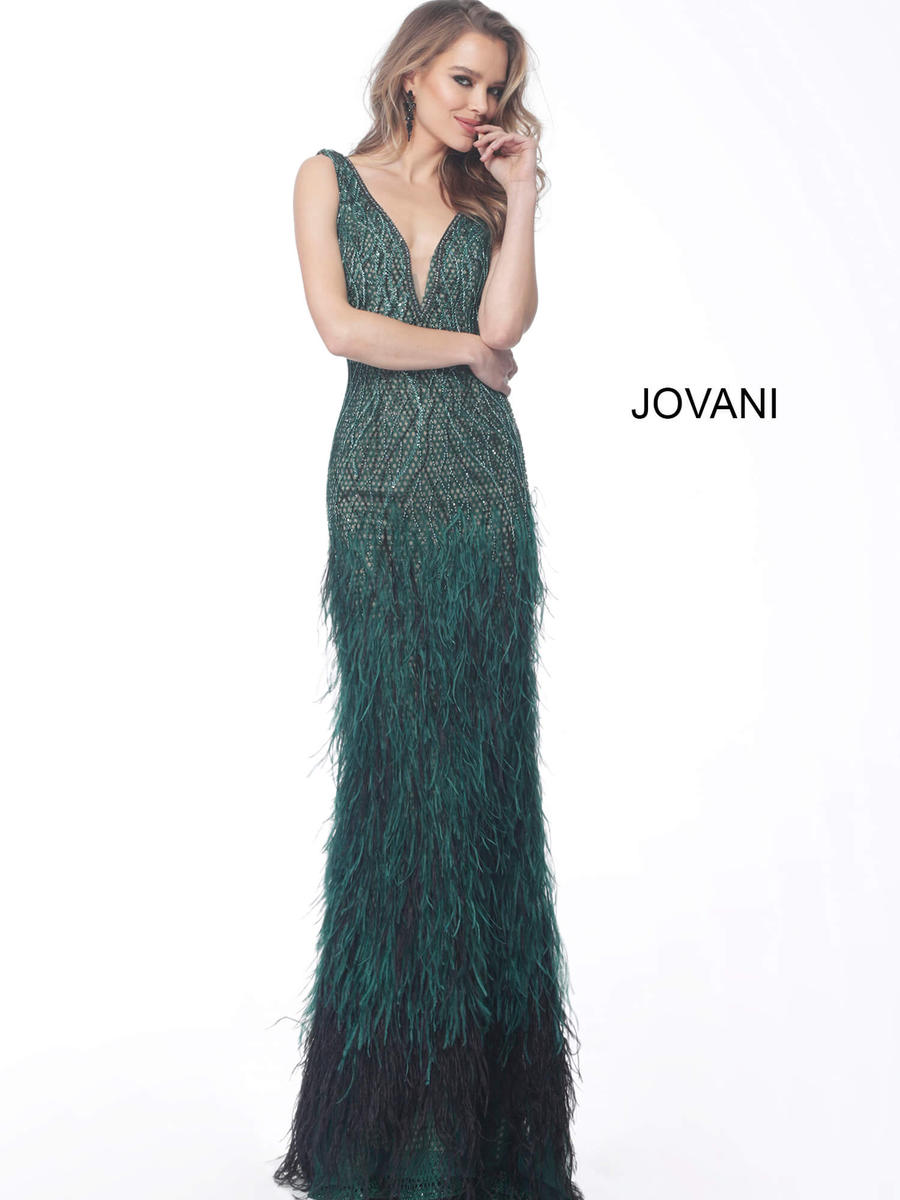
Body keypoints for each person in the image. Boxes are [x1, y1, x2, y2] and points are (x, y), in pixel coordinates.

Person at [273, 4, 583, 1198]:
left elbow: (507, 323)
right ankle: (381, 1123)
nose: (480, 106)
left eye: (496, 90)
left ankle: (484, 1128)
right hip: (376, 500)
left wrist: (527, 193)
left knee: (486, 786)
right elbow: (340, 329)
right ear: (410, 72)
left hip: (483, 501)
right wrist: (461, 352)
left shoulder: (489, 192)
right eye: (464, 80)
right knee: (398, 783)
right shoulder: (325, 177)